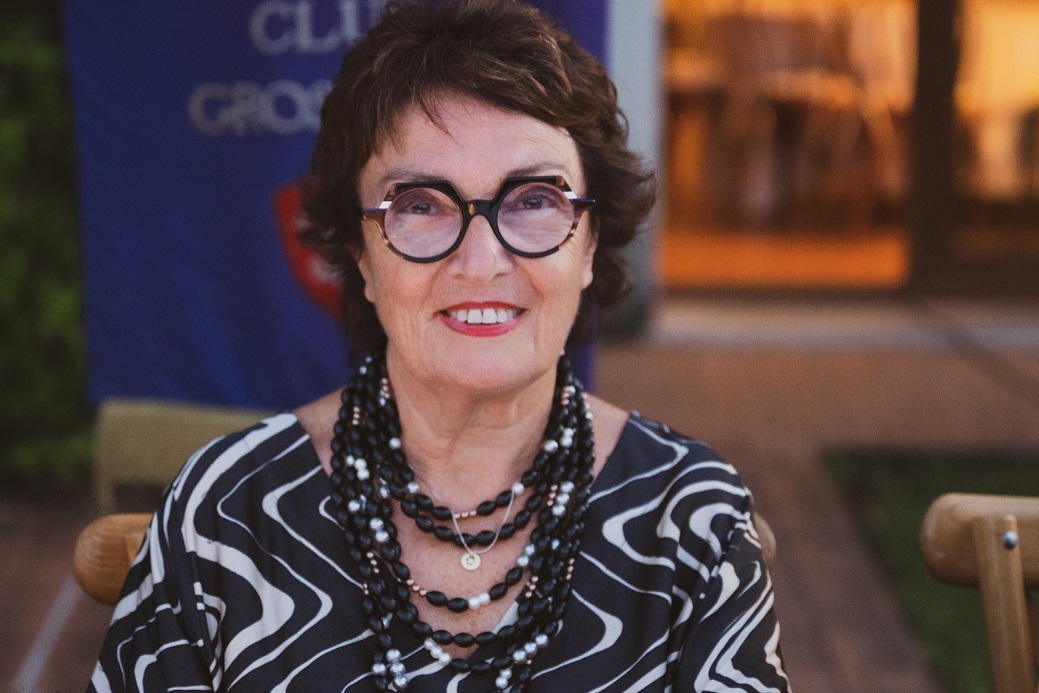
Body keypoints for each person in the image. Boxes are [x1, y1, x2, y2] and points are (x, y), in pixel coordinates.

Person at [89, 1, 790, 690]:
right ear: (360, 254)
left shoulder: (691, 516)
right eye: (420, 204)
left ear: (590, 243)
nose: (480, 261)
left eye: (534, 198)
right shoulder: (226, 510)